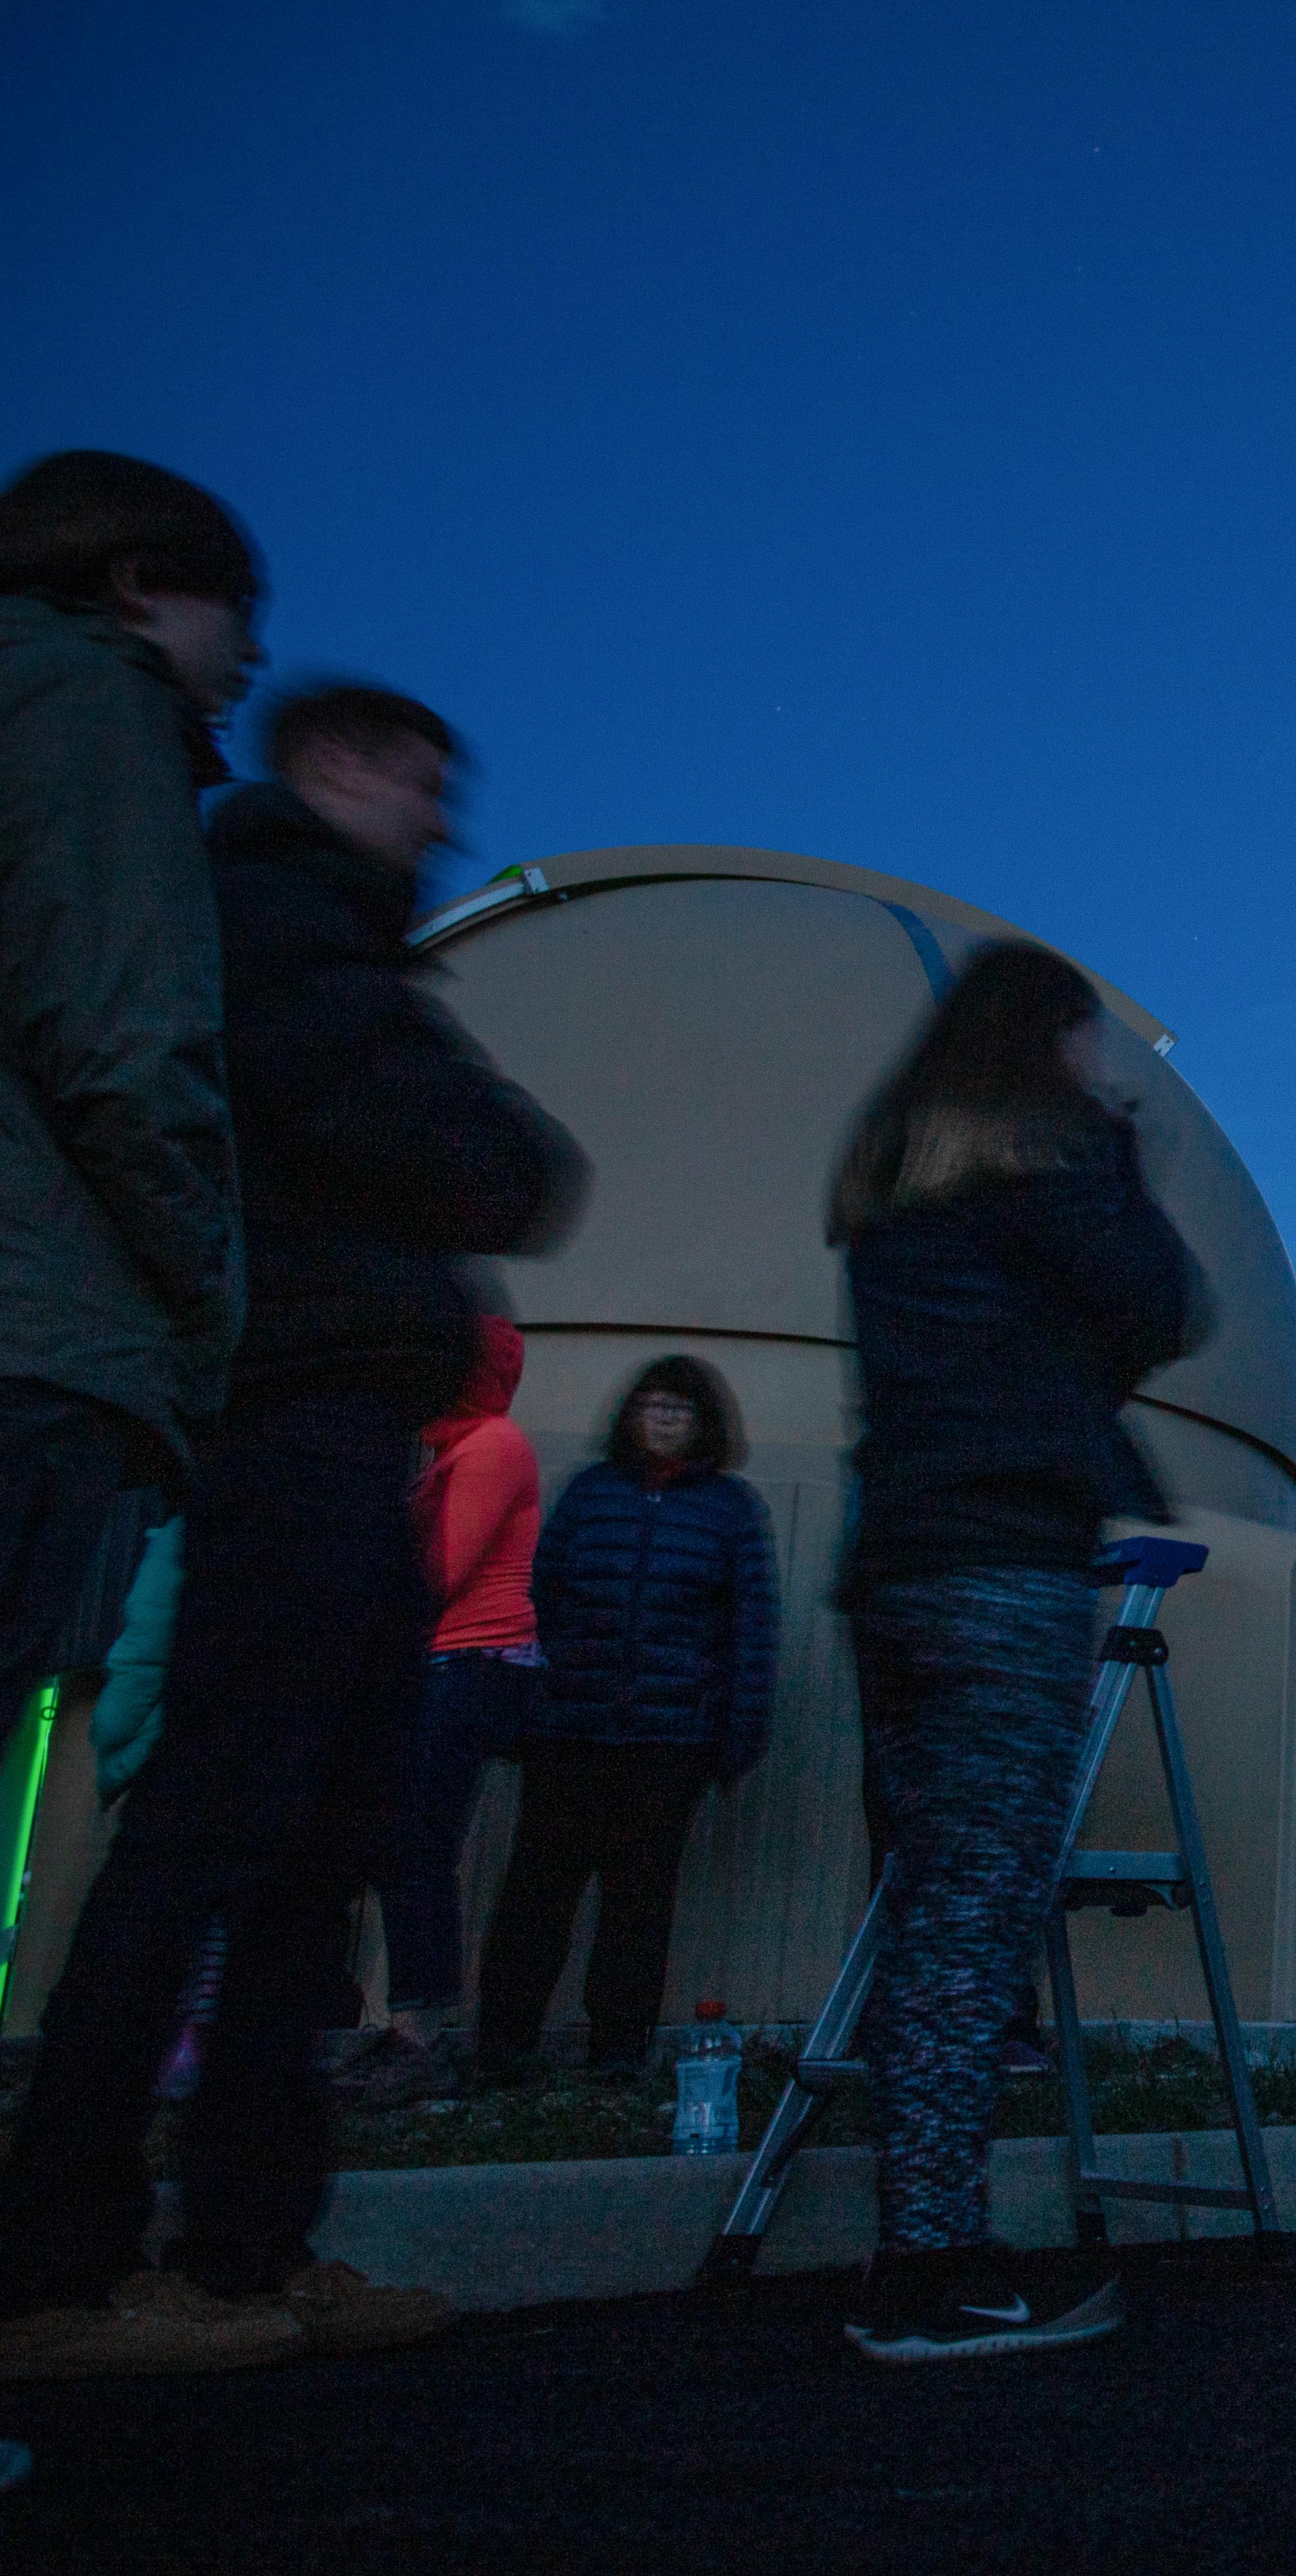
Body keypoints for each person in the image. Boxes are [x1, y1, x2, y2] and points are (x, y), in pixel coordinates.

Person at [0, 679, 577, 2380]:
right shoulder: (268, 923)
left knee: (315, 1854)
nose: (437, 817)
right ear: (332, 764)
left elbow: (511, 1167)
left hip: (350, 1427)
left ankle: (249, 2241)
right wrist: (449, 1150)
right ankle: (60, 2259)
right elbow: (489, 1155)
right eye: (417, 777)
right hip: (286, 1417)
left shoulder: (335, 945)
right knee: (216, 1835)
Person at [831, 941, 1203, 2359]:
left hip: (903, 1566)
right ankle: (932, 2268)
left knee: (937, 1906)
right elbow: (1163, 1307)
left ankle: (928, 2245)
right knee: (977, 1922)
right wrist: (1118, 1149)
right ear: (1047, 1045)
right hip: (1005, 1568)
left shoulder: (901, 1195)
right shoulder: (1051, 1177)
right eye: (1089, 1045)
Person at [0, 452, 257, 2401]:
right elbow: (128, 1038)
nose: (241, 673)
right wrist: (199, 1317)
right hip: (42, 1336)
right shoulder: (85, 703)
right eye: (231, 622)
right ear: (145, 587)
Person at [471, 1354, 778, 2086]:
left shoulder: (732, 1510)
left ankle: (617, 2053)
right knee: (536, 1895)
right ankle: (504, 2048)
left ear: (705, 1424)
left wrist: (738, 1736)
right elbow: (537, 1596)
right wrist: (520, 1706)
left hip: (669, 1742)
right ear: (631, 1414)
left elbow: (752, 1631)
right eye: (654, 1404)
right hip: (568, 1730)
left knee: (639, 1904)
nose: (665, 1418)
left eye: (680, 1408)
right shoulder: (589, 1494)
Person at [338, 1314, 545, 2109]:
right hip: (442, 1662)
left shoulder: (491, 1444)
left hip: (470, 1661)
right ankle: (409, 2032)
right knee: (405, 1845)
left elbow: (442, 1570)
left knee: (416, 1845)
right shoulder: (448, 1451)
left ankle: (420, 2038)